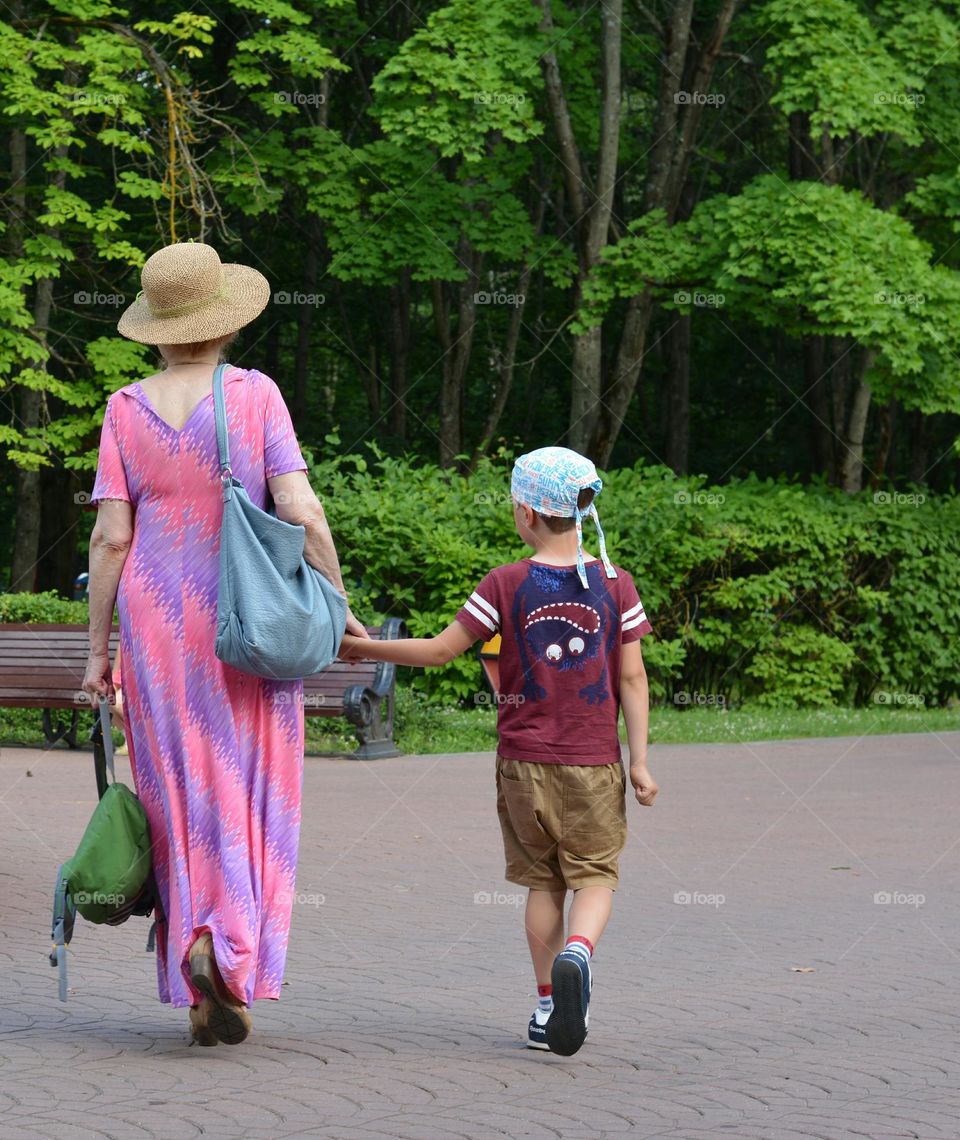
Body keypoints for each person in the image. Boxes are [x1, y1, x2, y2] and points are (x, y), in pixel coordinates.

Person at [82, 241, 367, 1046]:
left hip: (155, 626)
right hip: (250, 617)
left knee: (179, 794)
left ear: (158, 329)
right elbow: (302, 509)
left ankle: (200, 969)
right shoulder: (254, 395)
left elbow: (109, 539)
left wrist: (97, 654)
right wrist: (335, 599)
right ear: (222, 319)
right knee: (250, 786)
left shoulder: (123, 409)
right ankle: (227, 952)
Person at [340, 446, 657, 1056]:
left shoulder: (505, 583)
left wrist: (366, 649)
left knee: (543, 883)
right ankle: (579, 955)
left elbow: (439, 651)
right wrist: (638, 761)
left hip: (522, 763)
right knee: (595, 877)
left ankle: (546, 1007)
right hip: (594, 763)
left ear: (527, 513)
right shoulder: (617, 585)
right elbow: (633, 679)